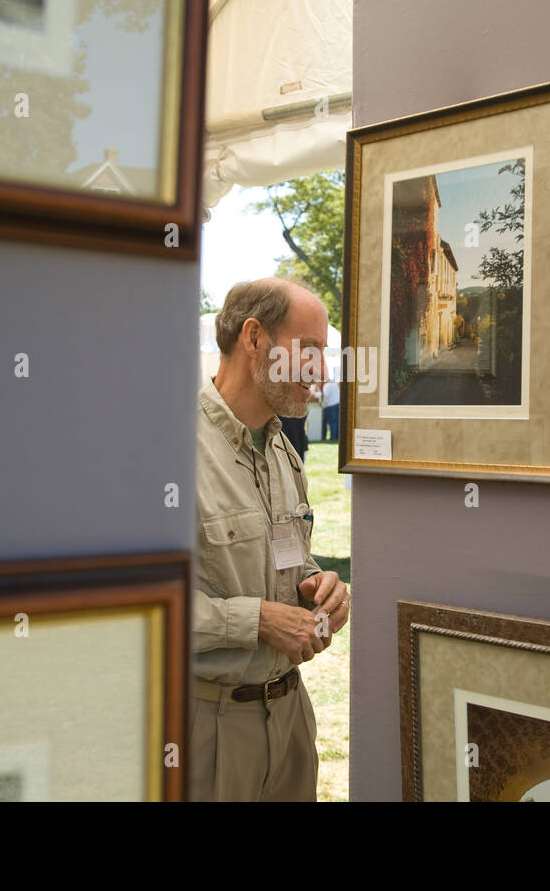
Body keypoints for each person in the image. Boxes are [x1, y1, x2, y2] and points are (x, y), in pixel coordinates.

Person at [191, 277, 352, 801]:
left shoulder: (284, 452)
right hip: (206, 730)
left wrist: (319, 587)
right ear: (254, 338)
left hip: (290, 721)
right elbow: (129, 606)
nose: (322, 373)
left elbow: (289, 560)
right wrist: (257, 619)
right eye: (309, 350)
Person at [321, 376, 340, 442]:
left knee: (332, 423)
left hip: (330, 406)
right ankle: (336, 437)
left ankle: (333, 438)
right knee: (337, 422)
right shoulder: (335, 385)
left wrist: (323, 404)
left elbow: (325, 396)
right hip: (338, 404)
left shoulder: (326, 386)